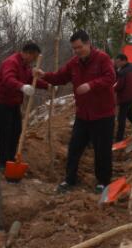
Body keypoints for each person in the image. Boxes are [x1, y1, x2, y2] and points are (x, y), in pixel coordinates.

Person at [34, 30, 116, 193]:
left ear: (88, 43)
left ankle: (103, 182)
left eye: (79, 47)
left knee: (102, 150)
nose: (77, 51)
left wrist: (91, 85)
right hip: (83, 114)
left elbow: (110, 78)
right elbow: (60, 77)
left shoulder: (102, 59)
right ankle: (70, 179)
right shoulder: (74, 63)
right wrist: (44, 75)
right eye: (74, 48)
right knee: (74, 148)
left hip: (102, 114)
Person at [0, 42, 49, 172]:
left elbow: (32, 79)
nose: (35, 60)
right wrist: (22, 87)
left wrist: (48, 86)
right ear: (27, 53)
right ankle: (3, 163)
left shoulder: (25, 66)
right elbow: (8, 79)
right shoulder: (12, 62)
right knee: (5, 133)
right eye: (34, 57)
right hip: (3, 102)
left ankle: (12, 158)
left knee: (16, 131)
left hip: (15, 103)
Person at [114, 54, 132, 141]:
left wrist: (111, 88)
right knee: (129, 114)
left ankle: (119, 139)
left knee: (121, 118)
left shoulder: (123, 72)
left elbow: (119, 86)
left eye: (118, 62)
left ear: (124, 60)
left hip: (125, 97)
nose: (117, 64)